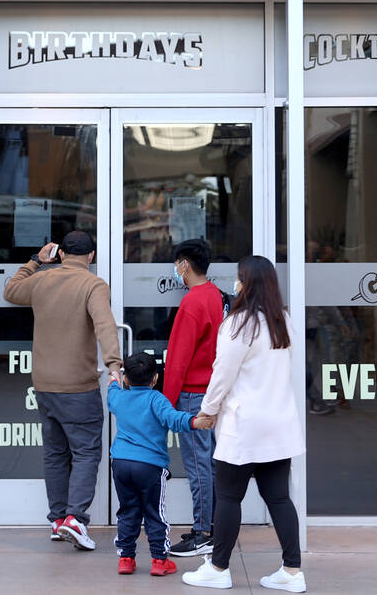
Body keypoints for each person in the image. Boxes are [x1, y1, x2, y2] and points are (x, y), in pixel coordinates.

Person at [182, 255, 306, 593]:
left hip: (244, 425)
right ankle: (293, 571)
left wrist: (207, 411)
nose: (235, 284)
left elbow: (222, 374)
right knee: (279, 498)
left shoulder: (238, 324)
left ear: (246, 283)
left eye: (238, 278)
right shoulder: (284, 321)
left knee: (228, 497)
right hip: (278, 425)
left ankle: (219, 568)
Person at [4, 229, 122, 551]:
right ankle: (75, 519)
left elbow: (11, 291)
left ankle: (57, 521)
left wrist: (34, 262)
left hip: (44, 384)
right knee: (85, 452)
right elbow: (104, 325)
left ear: (60, 254)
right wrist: (114, 365)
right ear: (91, 257)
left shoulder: (42, 279)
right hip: (77, 386)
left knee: (55, 453)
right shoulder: (93, 284)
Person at [107, 351, 212, 576]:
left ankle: (126, 558)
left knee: (127, 510)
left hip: (121, 463)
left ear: (127, 379)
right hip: (150, 467)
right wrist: (195, 421)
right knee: (154, 512)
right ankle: (159, 560)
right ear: (155, 378)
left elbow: (111, 392)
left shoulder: (119, 397)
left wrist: (113, 379)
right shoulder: (156, 400)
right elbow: (174, 419)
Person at [163, 238, 224, 557]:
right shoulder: (215, 296)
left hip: (192, 395)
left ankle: (203, 533)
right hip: (212, 391)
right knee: (210, 463)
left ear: (184, 264)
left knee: (199, 465)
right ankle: (212, 526)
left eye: (176, 263)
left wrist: (165, 403)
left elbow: (178, 358)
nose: (176, 270)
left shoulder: (193, 302)